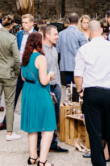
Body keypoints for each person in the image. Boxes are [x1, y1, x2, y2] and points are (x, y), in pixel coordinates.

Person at [75, 20, 110, 166]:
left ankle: (99, 163)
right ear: (102, 30)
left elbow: (78, 75)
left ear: (89, 32)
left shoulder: (84, 49)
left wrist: (80, 91)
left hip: (91, 92)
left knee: (95, 131)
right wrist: (108, 76)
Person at [20, 32, 56, 166]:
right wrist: (50, 75)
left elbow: (23, 77)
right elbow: (43, 81)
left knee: (33, 126)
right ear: (39, 42)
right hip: (40, 93)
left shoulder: (25, 57)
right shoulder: (40, 58)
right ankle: (43, 161)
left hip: (28, 92)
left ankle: (33, 157)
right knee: (49, 126)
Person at [0, 13, 34, 130]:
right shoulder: (19, 34)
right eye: (22, 22)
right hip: (18, 68)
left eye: (26, 22)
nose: (24, 25)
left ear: (32, 23)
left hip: (30, 69)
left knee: (31, 97)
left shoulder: (37, 35)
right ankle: (6, 121)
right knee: (13, 96)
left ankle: (32, 122)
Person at [40, 24, 67, 153]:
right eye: (55, 34)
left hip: (56, 86)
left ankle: (53, 144)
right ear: (47, 35)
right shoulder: (41, 50)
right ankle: (41, 146)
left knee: (55, 116)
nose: (57, 37)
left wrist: (60, 86)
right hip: (45, 87)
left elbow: (56, 68)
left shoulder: (54, 49)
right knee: (44, 116)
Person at [57, 12, 86, 102]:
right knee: (77, 86)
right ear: (78, 22)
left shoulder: (61, 34)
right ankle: (75, 102)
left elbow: (58, 50)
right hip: (77, 64)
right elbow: (84, 49)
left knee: (68, 85)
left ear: (68, 21)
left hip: (65, 64)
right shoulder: (79, 34)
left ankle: (69, 101)